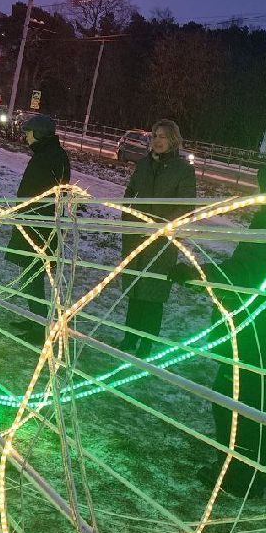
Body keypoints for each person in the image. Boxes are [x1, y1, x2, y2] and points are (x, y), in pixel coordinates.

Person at [168, 163, 266, 498]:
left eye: (264, 187)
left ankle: (242, 477)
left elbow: (250, 271)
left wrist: (197, 274)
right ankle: (247, 471)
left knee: (243, 405)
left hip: (263, 336)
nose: (258, 193)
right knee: (257, 405)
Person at [119, 119, 197, 357]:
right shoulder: (143, 165)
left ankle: (146, 342)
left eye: (163, 136)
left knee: (153, 291)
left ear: (173, 140)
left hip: (162, 241)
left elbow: (186, 206)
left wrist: (162, 227)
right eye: (155, 136)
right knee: (135, 288)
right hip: (135, 237)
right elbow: (130, 193)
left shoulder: (183, 170)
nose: (158, 140)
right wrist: (129, 219)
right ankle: (130, 337)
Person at [4, 115, 71, 343]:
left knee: (34, 275)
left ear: (39, 133)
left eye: (29, 132)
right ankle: (34, 317)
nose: (26, 136)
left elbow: (50, 193)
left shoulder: (50, 157)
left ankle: (40, 325)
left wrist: (28, 212)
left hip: (39, 226)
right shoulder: (47, 154)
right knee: (30, 275)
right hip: (33, 222)